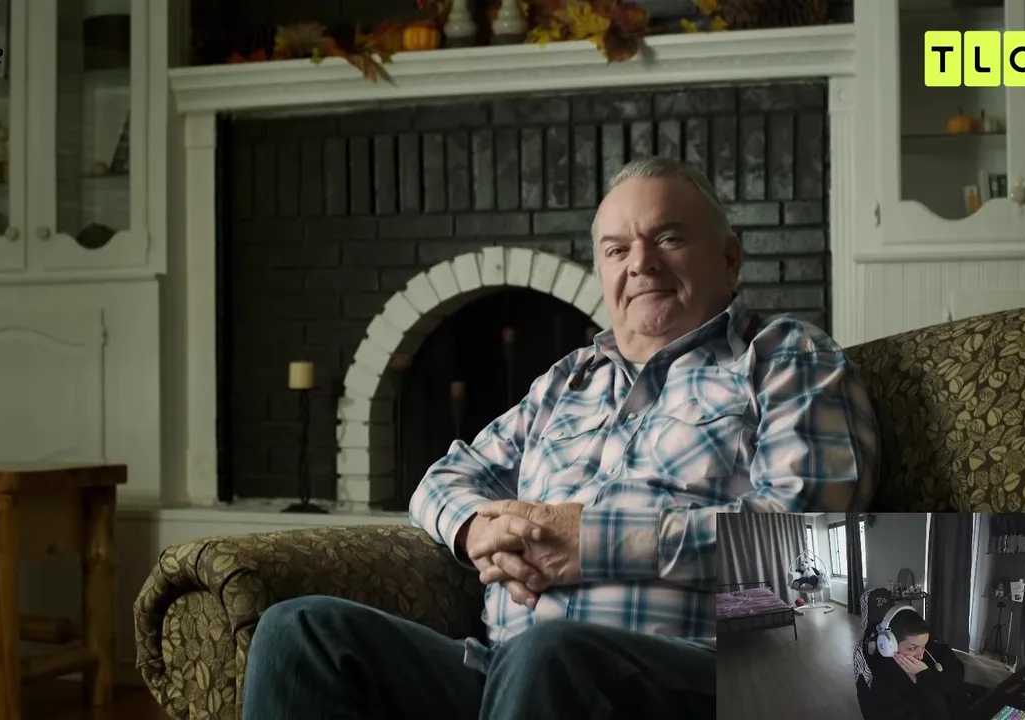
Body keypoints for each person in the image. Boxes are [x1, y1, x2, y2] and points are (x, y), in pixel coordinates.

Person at [242, 157, 881, 719]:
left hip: (696, 674)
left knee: (548, 657)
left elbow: (806, 539)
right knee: (300, 631)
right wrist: (477, 530)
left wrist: (594, 543)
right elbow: (444, 479)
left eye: (668, 238)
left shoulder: (785, 357)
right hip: (504, 672)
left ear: (730, 258)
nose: (641, 263)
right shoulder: (567, 383)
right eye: (616, 250)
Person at [856, 603, 966, 719]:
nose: (921, 655)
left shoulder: (935, 652)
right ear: (890, 646)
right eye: (912, 648)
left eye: (924, 646)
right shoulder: (886, 680)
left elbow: (956, 677)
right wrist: (924, 679)